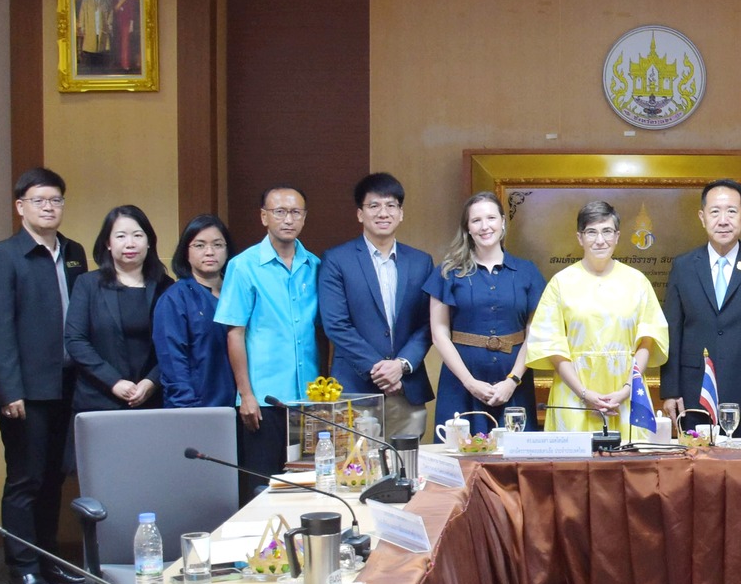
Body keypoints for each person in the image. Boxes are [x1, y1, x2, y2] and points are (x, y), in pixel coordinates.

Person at [0, 167, 88, 584]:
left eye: (56, 200)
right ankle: (22, 569)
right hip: (26, 390)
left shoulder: (74, 252)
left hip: (68, 385)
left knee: (55, 478)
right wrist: (8, 389)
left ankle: (48, 560)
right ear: (20, 207)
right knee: (25, 479)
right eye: (39, 200)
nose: (48, 207)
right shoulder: (3, 256)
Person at [526, 200, 669, 436]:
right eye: (591, 232)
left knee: (630, 457)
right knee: (573, 459)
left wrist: (626, 390)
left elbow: (648, 340)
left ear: (617, 236)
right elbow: (551, 345)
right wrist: (584, 394)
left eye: (607, 231)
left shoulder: (637, 282)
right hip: (574, 394)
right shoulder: (561, 283)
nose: (600, 240)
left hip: (626, 393)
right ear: (580, 238)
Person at [216, 185, 321, 500]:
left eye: (295, 212)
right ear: (264, 217)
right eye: (280, 212)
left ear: (304, 217)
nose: (288, 219)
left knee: (309, 488)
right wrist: (245, 394)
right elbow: (234, 333)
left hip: (308, 400)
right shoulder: (243, 265)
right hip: (264, 400)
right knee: (262, 489)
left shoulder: (315, 265)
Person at [660, 179, 741, 434]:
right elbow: (672, 330)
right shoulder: (683, 266)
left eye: (731, 211)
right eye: (715, 212)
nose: (723, 220)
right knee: (696, 459)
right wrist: (671, 390)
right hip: (693, 395)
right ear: (702, 217)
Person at [318, 173, 437, 441]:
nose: (383, 213)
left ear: (401, 213)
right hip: (356, 388)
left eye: (391, 205)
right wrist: (381, 370)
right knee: (355, 463)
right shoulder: (337, 260)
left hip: (406, 388)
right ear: (360, 214)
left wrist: (401, 365)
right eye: (374, 205)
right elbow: (336, 324)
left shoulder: (421, 262)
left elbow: (428, 323)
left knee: (406, 464)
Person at [427, 191, 545, 433]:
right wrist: (469, 382)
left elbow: (535, 332)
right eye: (476, 220)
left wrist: (512, 381)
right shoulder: (447, 272)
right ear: (467, 228)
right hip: (461, 382)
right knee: (460, 452)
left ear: (503, 222)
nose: (484, 226)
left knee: (515, 452)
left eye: (491, 218)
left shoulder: (527, 271)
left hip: (514, 383)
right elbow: (439, 334)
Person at [65, 206, 172, 415]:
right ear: (108, 242)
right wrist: (113, 381)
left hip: (151, 400)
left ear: (149, 241)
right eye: (121, 236)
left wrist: (151, 381)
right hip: (98, 398)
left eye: (138, 235)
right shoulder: (88, 284)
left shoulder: (165, 286)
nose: (130, 243)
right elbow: (75, 340)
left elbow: (174, 343)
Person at [154, 215, 236, 409]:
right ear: (186, 252)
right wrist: (188, 410)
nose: (210, 252)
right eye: (199, 245)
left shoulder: (239, 292)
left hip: (245, 405)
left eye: (218, 245)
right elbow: (173, 362)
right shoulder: (175, 299)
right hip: (197, 406)